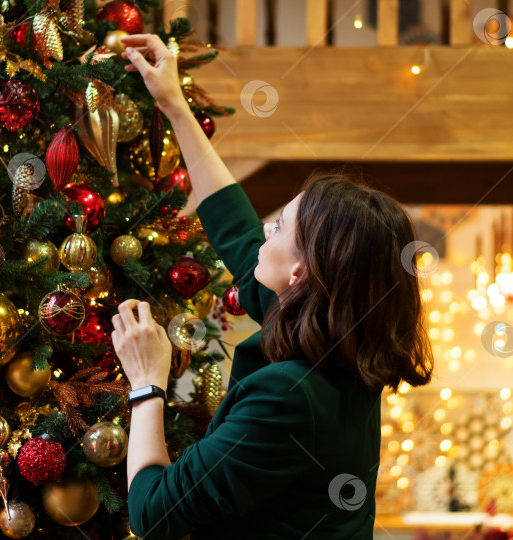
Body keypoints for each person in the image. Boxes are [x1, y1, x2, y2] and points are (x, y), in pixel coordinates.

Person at [110, 33, 434, 540]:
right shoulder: (333, 347)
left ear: (300, 274)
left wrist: (147, 380)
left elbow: (154, 513)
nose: (266, 230)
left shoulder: (288, 396)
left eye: (281, 226)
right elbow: (236, 229)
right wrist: (175, 106)